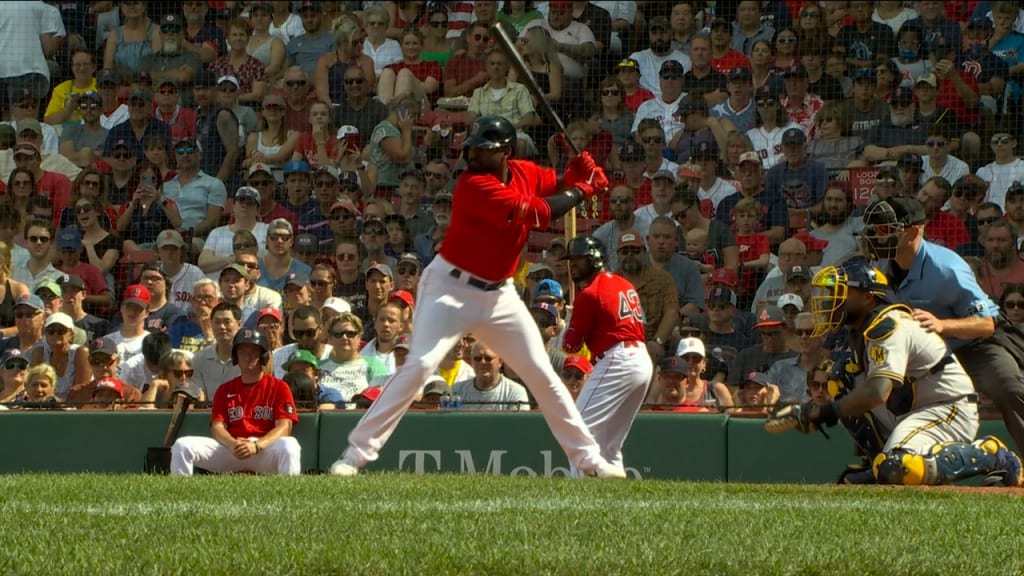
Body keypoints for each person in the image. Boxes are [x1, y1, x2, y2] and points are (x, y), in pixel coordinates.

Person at [329, 115, 622, 478]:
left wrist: (578, 172)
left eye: (482, 150)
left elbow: (556, 183)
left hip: (499, 294)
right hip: (449, 288)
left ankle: (589, 459)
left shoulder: (524, 172)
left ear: (505, 153)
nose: (471, 155)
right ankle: (353, 455)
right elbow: (539, 212)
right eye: (471, 148)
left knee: (542, 372)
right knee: (419, 366)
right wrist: (584, 189)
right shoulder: (472, 185)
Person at [777, 259, 1024, 487]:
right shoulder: (861, 329)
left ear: (867, 297)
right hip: (911, 408)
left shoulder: (890, 325)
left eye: (842, 292)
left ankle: (991, 455)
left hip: (947, 408)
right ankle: (878, 464)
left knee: (897, 468)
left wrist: (822, 413)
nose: (833, 300)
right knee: (840, 380)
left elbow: (877, 393)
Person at [861, 196, 1024, 458]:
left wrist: (941, 324)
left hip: (970, 347)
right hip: (920, 355)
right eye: (873, 230)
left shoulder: (946, 267)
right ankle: (885, 463)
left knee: (1008, 386)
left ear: (913, 231)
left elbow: (987, 323)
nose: (876, 238)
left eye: (883, 230)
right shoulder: (877, 265)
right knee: (865, 385)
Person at [561, 236, 653, 474]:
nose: (572, 265)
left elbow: (569, 346)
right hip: (640, 360)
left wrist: (570, 320)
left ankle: (576, 499)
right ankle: (614, 499)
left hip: (617, 358)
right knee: (610, 447)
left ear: (594, 258)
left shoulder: (590, 293)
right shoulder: (624, 284)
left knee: (577, 432)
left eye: (578, 259)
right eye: (570, 260)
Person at [170, 328, 300, 476]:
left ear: (263, 356)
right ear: (236, 356)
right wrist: (232, 444)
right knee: (182, 445)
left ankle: (287, 495)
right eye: (243, 352)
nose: (248, 357)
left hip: (263, 450)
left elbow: (285, 427)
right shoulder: (225, 389)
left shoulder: (279, 387)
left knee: (290, 445)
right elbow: (217, 427)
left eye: (253, 351)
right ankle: (182, 495)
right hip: (232, 450)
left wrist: (257, 445)